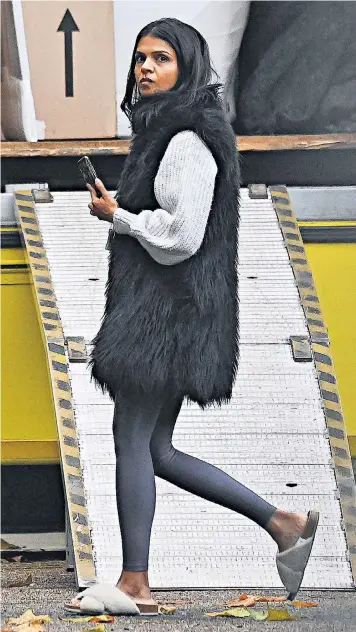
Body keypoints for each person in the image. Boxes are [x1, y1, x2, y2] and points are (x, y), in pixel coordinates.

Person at [66, 18, 319, 617]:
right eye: (140, 58)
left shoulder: (185, 140)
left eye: (162, 59)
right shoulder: (170, 133)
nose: (146, 68)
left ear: (190, 69)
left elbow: (180, 236)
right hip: (174, 315)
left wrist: (120, 217)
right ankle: (282, 522)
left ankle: (133, 583)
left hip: (166, 318)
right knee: (155, 447)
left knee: (132, 439)